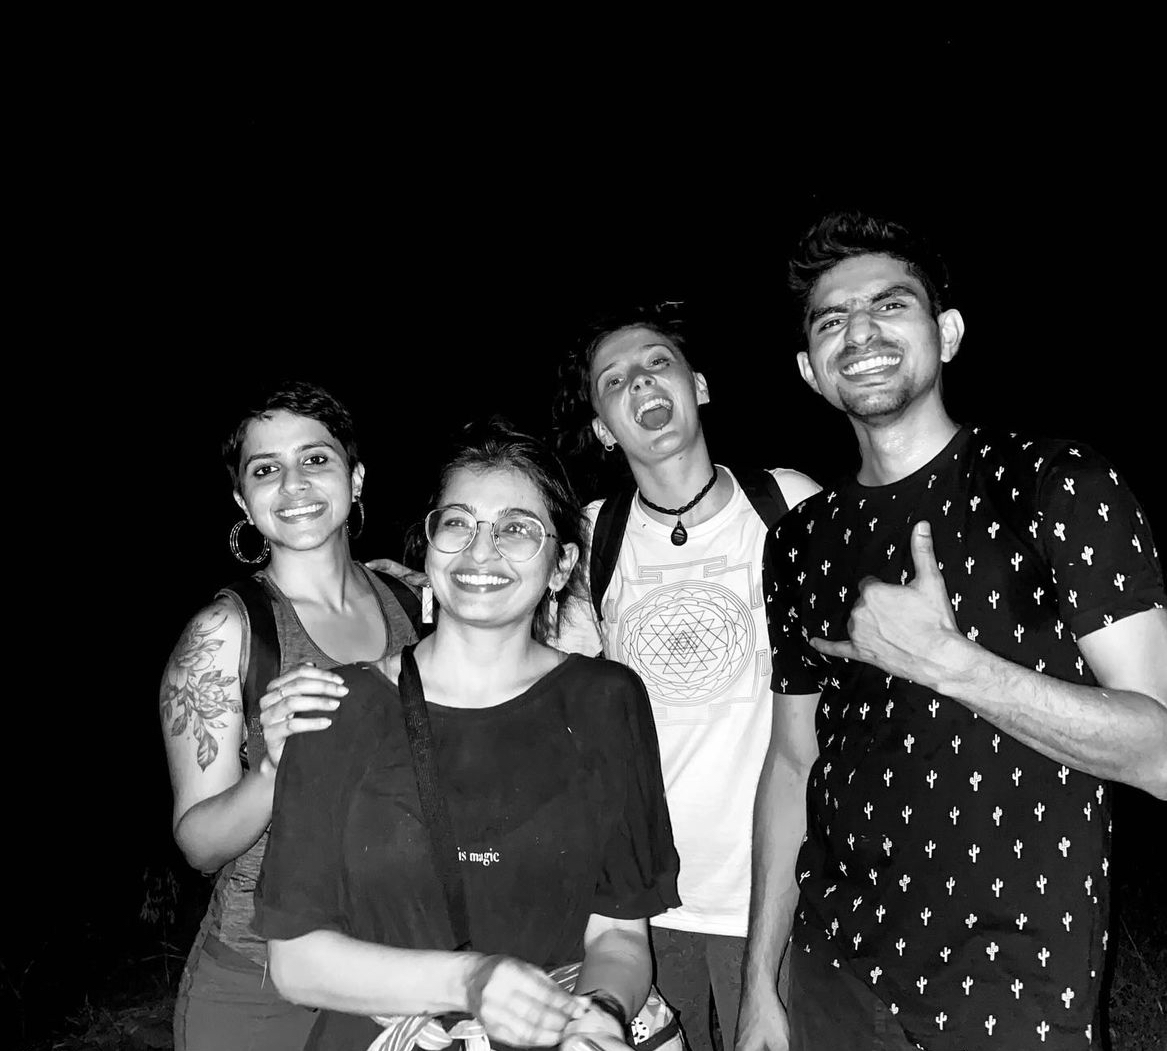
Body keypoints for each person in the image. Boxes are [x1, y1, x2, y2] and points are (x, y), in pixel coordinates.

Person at [738, 212, 1167, 1051]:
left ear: (948, 333)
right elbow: (794, 762)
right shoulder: (799, 541)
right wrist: (762, 979)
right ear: (809, 370)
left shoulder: (1054, 485)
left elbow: (1162, 754)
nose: (858, 331)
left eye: (889, 306)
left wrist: (950, 664)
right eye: (831, 321)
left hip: (1015, 990)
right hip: (833, 974)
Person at [251, 422, 681, 1051]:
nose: (481, 552)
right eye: (457, 524)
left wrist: (599, 1014)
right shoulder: (338, 707)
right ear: (428, 547)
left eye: (515, 528)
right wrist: (474, 982)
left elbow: (617, 933)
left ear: (562, 565)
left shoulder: (606, 701)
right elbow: (295, 960)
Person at [548, 306, 820, 1051]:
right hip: (639, 904)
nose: (640, 382)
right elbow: (531, 660)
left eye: (656, 363)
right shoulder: (593, 535)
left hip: (770, 895)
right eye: (614, 380)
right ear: (605, 427)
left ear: (697, 386)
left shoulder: (788, 504)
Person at [160, 381, 420, 1051]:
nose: (294, 484)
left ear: (356, 478)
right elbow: (199, 845)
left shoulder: (412, 604)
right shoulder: (223, 635)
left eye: (316, 459)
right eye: (266, 470)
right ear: (244, 499)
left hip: (397, 976)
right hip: (258, 991)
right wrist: (275, 767)